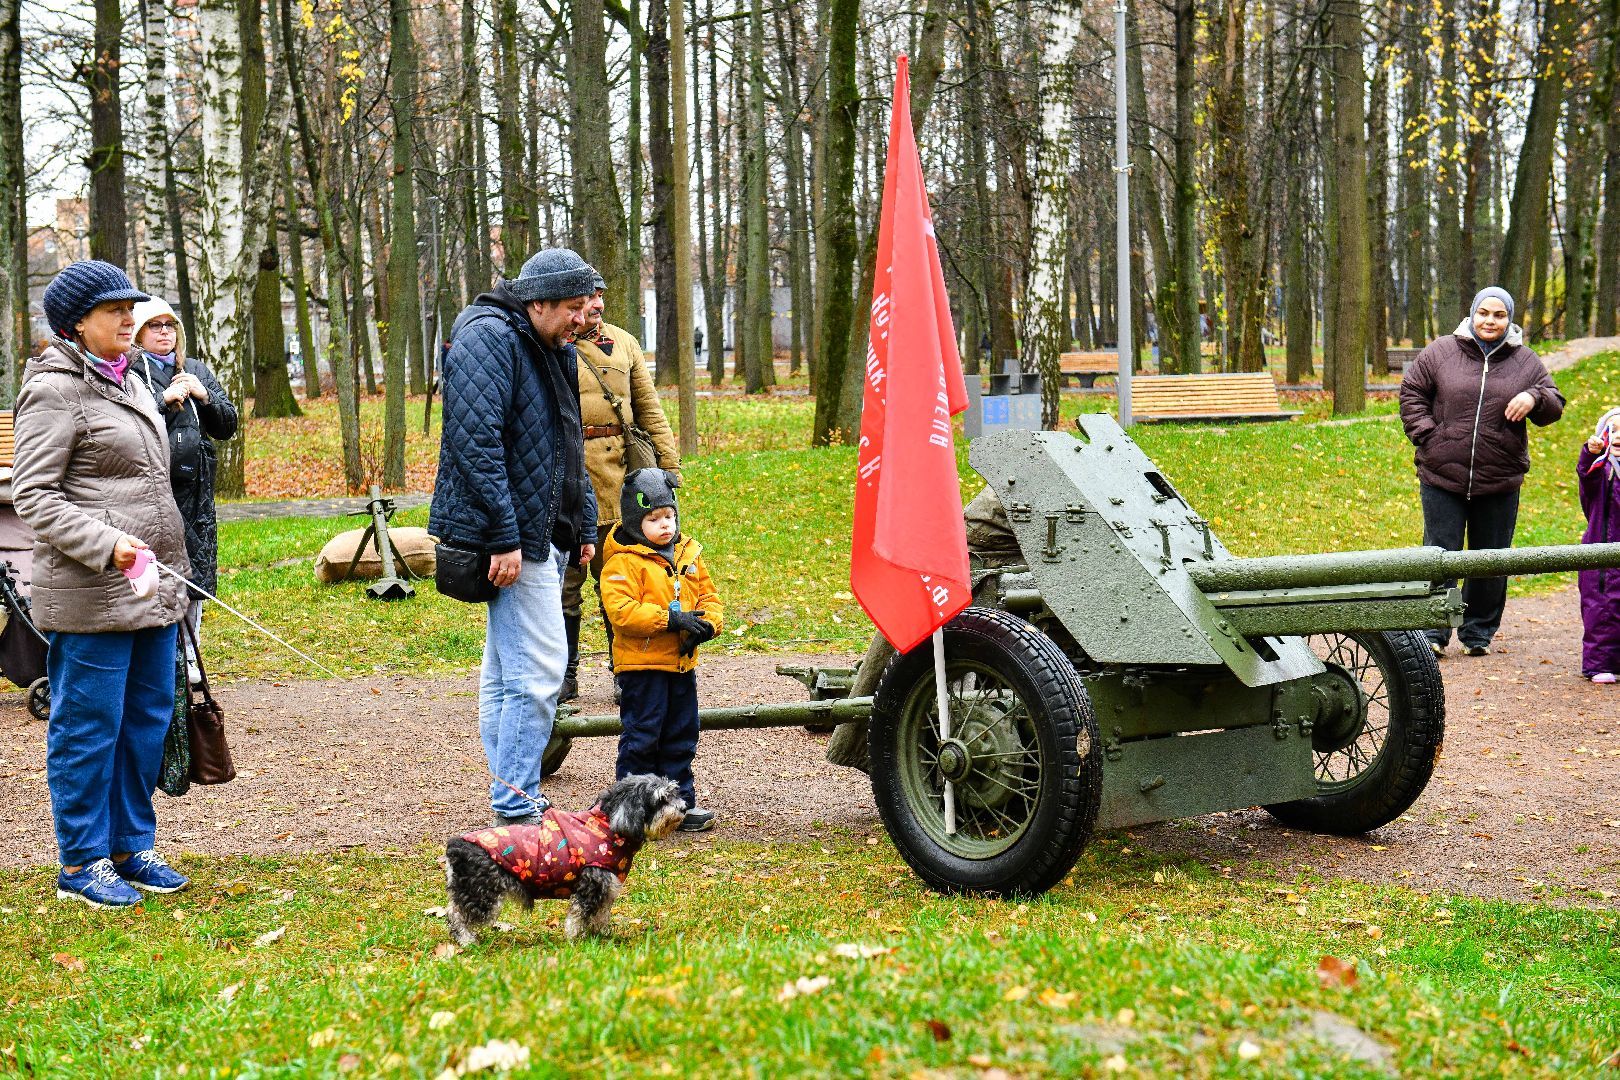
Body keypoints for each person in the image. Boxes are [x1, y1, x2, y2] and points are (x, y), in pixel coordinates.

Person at [13, 260, 193, 907]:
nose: (128, 317)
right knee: (89, 728)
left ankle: (130, 846)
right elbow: (33, 493)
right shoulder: (55, 387)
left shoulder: (130, 378)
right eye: (113, 309)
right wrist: (108, 543)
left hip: (151, 589)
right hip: (92, 593)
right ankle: (82, 862)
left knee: (145, 723)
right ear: (75, 323)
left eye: (130, 307)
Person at [430, 247, 599, 826]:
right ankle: (517, 801)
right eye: (574, 307)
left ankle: (512, 792)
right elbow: (475, 446)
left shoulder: (552, 345)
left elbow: (566, 442)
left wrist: (581, 521)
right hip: (512, 537)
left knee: (508, 674)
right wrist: (505, 537)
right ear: (539, 301)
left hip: (542, 532)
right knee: (541, 669)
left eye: (587, 305)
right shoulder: (488, 338)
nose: (584, 317)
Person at [1399, 286, 1565, 657]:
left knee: (1491, 558)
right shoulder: (1441, 351)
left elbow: (1554, 406)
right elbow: (1412, 392)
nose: (1490, 321)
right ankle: (1434, 632)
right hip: (1442, 475)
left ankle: (1478, 633)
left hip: (1499, 478)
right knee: (1439, 553)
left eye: (1499, 315)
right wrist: (1428, 436)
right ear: (1472, 314)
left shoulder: (1526, 362)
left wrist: (1534, 396)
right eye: (1484, 313)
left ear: (1509, 320)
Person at [560, 274, 679, 702]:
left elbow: (649, 407)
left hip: (621, 481)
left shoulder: (625, 343)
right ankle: (565, 673)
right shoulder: (556, 342)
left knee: (619, 580)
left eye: (599, 296)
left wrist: (668, 465)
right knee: (566, 583)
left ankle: (624, 669)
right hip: (569, 477)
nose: (596, 304)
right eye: (588, 297)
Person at [599, 468, 721, 831]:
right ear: (637, 521)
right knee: (643, 736)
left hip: (681, 665)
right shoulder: (622, 561)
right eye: (654, 519)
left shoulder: (688, 553)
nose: (665, 525)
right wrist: (671, 621)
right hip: (642, 667)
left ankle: (678, 804)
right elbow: (621, 612)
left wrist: (705, 625)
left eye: (669, 516)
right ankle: (630, 809)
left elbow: (711, 597)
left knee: (681, 732)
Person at [125, 298, 239, 683]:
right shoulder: (131, 373)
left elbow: (227, 424)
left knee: (197, 575)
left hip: (198, 493)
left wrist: (203, 396)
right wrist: (162, 401)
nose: (164, 332)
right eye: (154, 326)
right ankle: (161, 658)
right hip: (154, 492)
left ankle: (191, 656)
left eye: (169, 325)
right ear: (139, 333)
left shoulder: (194, 370)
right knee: (160, 574)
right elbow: (126, 426)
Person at [1577, 409, 1620, 682]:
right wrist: (1591, 454)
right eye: (1613, 430)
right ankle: (1599, 663)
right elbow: (1586, 476)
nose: (1619, 436)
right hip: (1601, 553)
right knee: (1601, 610)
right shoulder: (1601, 471)